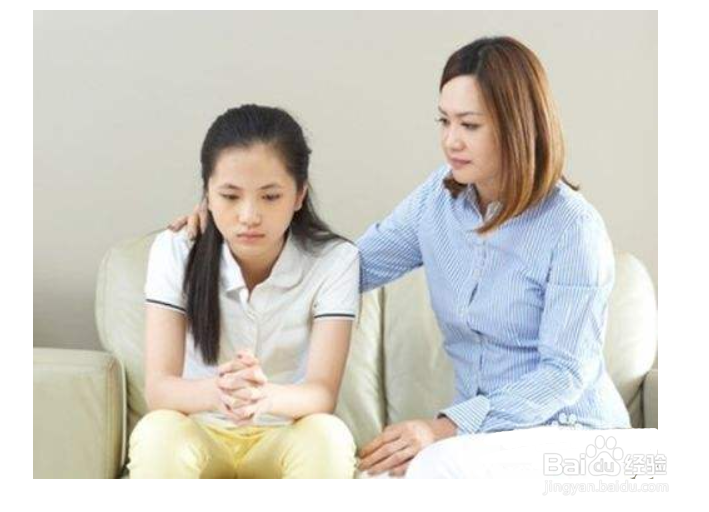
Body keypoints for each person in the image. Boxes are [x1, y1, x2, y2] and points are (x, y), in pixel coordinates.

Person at [171, 36, 632, 478]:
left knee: (435, 470)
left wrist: (443, 428)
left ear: (518, 127)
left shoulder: (573, 228)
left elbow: (563, 374)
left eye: (469, 125)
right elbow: (345, 269)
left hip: (572, 436)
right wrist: (231, 224)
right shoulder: (438, 200)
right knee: (378, 482)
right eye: (444, 121)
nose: (451, 140)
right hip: (481, 442)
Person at [129, 105, 360, 478]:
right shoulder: (176, 249)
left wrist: (264, 397)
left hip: (282, 433)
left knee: (328, 436)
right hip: (200, 430)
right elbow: (160, 389)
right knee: (157, 432)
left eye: (270, 197)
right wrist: (220, 392)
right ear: (207, 194)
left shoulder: (335, 260)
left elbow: (322, 393)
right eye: (230, 196)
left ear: (299, 195)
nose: (249, 216)